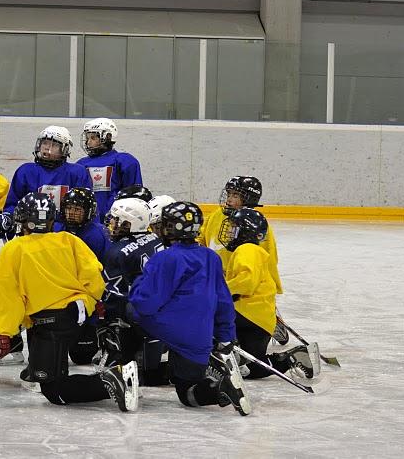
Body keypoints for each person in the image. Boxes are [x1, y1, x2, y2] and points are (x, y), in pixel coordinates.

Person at [0, 192, 139, 412]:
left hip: (50, 323)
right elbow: (95, 278)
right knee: (59, 366)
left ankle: (116, 379)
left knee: (54, 390)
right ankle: (48, 367)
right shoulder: (69, 240)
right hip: (78, 317)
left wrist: (1, 331)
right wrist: (84, 303)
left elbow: (9, 297)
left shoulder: (13, 249)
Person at [128, 201, 250, 415]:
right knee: (188, 392)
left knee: (128, 310)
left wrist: (136, 284)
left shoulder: (165, 258)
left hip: (172, 330)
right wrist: (225, 335)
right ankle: (217, 385)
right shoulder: (211, 257)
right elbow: (224, 301)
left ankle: (133, 366)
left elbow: (145, 303)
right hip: (202, 335)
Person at [223, 208, 317, 381]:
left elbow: (247, 282)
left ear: (245, 231)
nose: (229, 231)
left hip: (247, 314)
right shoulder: (252, 250)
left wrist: (222, 289)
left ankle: (223, 350)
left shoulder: (247, 249)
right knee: (251, 369)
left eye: (234, 227)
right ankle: (290, 358)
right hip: (262, 320)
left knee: (209, 314)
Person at [197, 176, 288, 343]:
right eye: (229, 194)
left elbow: (268, 258)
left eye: (236, 195)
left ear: (248, 199)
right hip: (223, 282)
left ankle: (267, 315)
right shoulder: (217, 216)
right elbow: (200, 239)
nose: (229, 199)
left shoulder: (254, 224)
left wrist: (267, 291)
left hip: (243, 286)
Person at [97, 198, 166, 384]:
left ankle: (122, 355)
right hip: (165, 307)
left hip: (139, 313)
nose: (112, 224)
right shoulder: (154, 238)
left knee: (112, 315)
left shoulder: (117, 251)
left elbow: (112, 294)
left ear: (130, 223)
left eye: (116, 220)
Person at [0, 126, 91, 241]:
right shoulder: (25, 171)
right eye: (45, 143)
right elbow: (13, 204)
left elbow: (86, 209)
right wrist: (7, 218)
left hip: (66, 236)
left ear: (64, 149)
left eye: (54, 145)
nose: (47, 148)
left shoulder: (77, 173)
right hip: (31, 234)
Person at [53, 187, 110, 364]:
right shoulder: (57, 229)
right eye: (69, 208)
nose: (72, 213)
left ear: (89, 211)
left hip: (89, 296)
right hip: (64, 294)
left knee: (81, 356)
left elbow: (103, 271)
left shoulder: (97, 234)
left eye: (77, 209)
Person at [77, 118, 143, 222]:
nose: (88, 142)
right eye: (87, 138)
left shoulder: (125, 161)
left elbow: (134, 197)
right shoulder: (81, 164)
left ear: (107, 137)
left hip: (117, 222)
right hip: (89, 223)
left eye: (93, 138)